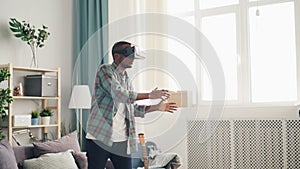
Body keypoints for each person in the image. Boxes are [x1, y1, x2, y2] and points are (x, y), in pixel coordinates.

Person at [85, 41, 178, 169]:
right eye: (128, 54)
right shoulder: (105, 70)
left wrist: (157, 107)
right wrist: (149, 95)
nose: (132, 58)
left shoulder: (126, 78)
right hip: (100, 137)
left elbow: (131, 109)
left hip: (122, 140)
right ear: (117, 56)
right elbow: (119, 94)